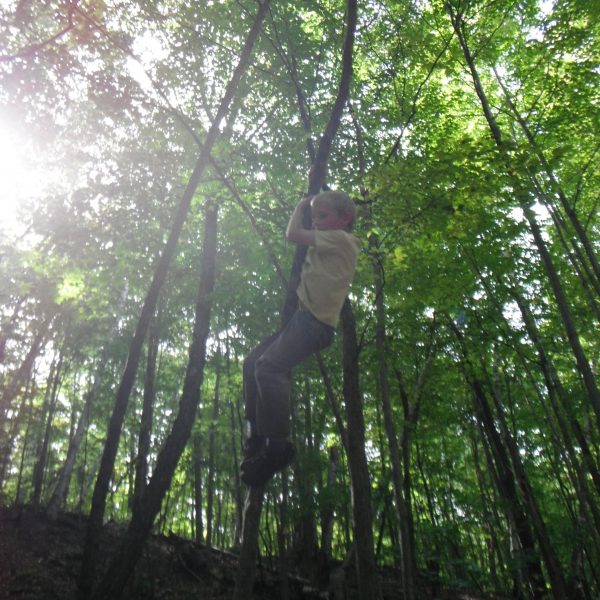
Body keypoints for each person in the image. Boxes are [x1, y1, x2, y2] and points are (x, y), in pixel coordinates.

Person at [240, 189, 360, 486]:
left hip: (314, 325)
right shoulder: (331, 239)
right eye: (314, 215)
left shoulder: (341, 238)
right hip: (303, 320)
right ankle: (255, 435)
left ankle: (277, 447)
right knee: (253, 362)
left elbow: (293, 234)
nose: (316, 221)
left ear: (344, 219)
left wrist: (301, 206)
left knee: (269, 368)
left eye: (323, 216)